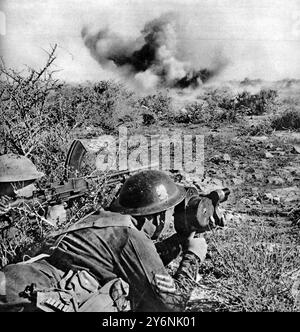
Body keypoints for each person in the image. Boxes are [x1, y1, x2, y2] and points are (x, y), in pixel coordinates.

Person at [0, 169, 216, 312]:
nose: (169, 218)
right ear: (157, 216)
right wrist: (193, 256)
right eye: (169, 212)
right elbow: (171, 305)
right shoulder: (131, 237)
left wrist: (181, 240)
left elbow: (139, 261)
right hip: (35, 299)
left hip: (15, 281)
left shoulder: (105, 220)